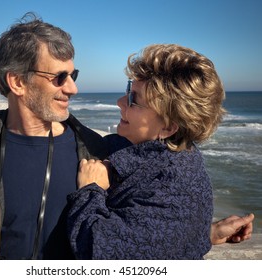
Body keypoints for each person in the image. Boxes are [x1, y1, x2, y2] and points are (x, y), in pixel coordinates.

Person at [0, 15, 254, 260]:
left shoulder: (97, 155)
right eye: (59, 77)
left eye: (73, 75)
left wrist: (199, 231)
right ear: (17, 82)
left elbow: (133, 240)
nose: (72, 88)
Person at [66, 44, 254, 260]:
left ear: (167, 127)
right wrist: (204, 233)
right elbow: (157, 236)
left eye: (133, 100)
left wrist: (91, 190)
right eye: (128, 91)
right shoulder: (146, 149)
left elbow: (98, 253)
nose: (119, 102)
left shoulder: (175, 187)